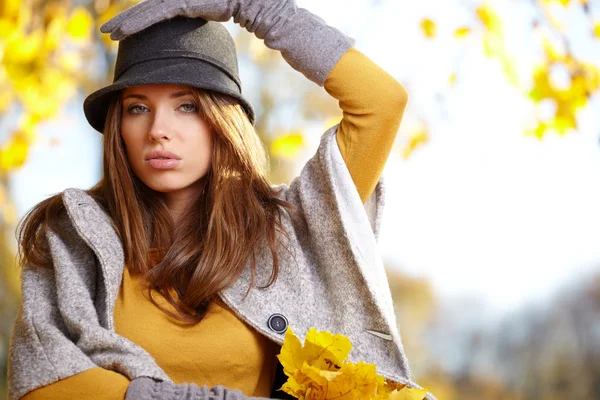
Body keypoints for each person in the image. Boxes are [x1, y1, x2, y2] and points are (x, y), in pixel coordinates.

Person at [7, 0, 436, 399]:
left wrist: (255, 8)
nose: (158, 129)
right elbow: (42, 382)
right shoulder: (71, 234)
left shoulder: (291, 230)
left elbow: (381, 103)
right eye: (138, 108)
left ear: (222, 122)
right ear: (118, 125)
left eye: (187, 106)